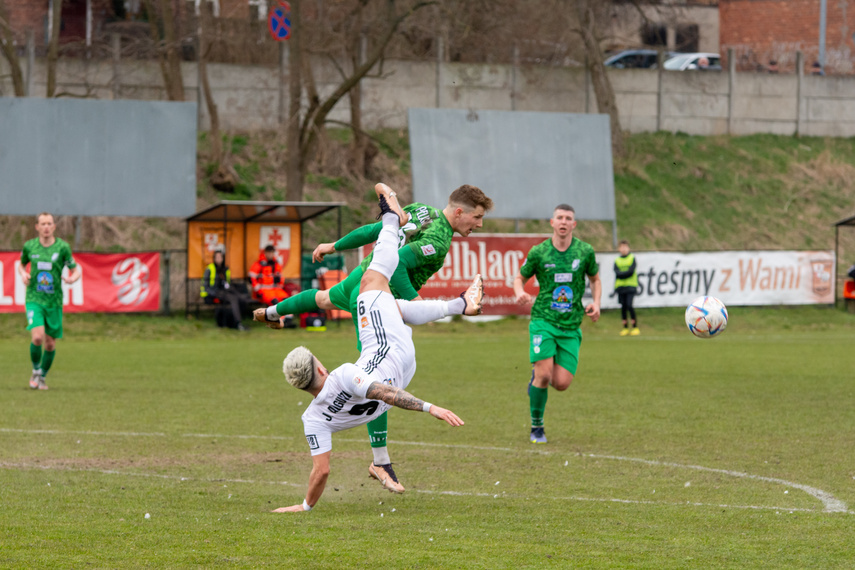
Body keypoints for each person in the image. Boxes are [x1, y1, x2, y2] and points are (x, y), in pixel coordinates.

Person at [259, 183, 494, 492]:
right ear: (460, 211)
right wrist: (417, 302)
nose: (479, 224)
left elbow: (378, 228)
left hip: (362, 276)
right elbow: (398, 270)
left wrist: (334, 245)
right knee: (374, 377)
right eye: (477, 217)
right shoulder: (438, 240)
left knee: (324, 299)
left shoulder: (423, 211)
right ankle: (380, 461)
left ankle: (271, 312)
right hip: (376, 302)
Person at [512, 204, 601, 444]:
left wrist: (597, 303)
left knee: (561, 383)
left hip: (571, 325)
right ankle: (537, 427)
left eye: (568, 218)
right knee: (543, 375)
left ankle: (539, 376)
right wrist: (520, 292)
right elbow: (520, 277)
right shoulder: (539, 252)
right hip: (543, 320)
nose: (563, 222)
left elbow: (595, 279)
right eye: (559, 217)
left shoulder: (585, 251)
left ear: (574, 224)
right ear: (552, 222)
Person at [17, 212, 81, 390]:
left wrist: (72, 278)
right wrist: (23, 274)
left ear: (54, 226)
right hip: (34, 299)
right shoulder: (30, 246)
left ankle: (43, 377)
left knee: (50, 343)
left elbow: (76, 269)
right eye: (42, 224)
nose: (46, 227)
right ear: (37, 227)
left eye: (49, 223)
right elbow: (21, 264)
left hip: (54, 301)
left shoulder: (62, 247)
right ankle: (36, 370)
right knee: (37, 337)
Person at [201, 248, 249, 331]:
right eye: (217, 257)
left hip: (224, 291)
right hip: (215, 292)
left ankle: (237, 319)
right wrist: (213, 293)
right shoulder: (210, 268)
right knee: (233, 298)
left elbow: (228, 283)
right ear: (214, 258)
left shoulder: (225, 269)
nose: (219, 259)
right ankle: (238, 323)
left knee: (238, 296)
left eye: (220, 257)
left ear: (223, 258)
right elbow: (205, 286)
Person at [249, 244, 296, 328]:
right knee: (275, 302)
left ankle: (288, 320)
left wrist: (279, 284)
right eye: (269, 253)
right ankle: (280, 322)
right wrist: (258, 291)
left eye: (272, 253)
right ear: (265, 253)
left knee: (286, 300)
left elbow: (281, 277)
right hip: (264, 290)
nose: (270, 255)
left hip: (276, 289)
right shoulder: (259, 264)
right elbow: (252, 277)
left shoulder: (276, 264)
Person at [614, 240, 639, 336]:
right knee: (623, 307)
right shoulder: (617, 260)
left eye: (625, 247)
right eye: (622, 247)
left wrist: (622, 274)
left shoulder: (632, 258)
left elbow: (631, 271)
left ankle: (635, 327)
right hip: (620, 287)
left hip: (630, 286)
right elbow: (616, 272)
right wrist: (624, 274)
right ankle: (625, 328)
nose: (623, 249)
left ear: (628, 248)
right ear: (619, 248)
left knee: (629, 305)